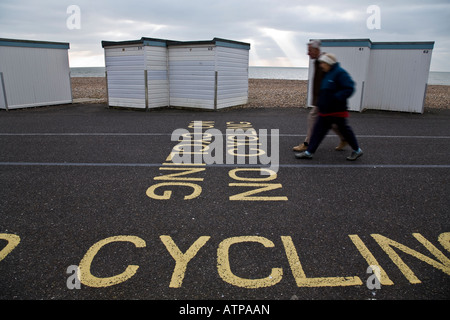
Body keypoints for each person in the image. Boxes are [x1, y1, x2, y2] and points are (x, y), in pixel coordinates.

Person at [295, 53, 363, 161]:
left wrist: (336, 98)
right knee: (318, 131)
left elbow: (349, 88)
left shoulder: (340, 73)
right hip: (325, 111)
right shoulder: (328, 73)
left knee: (345, 131)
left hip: (337, 111)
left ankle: (357, 150)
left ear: (328, 63)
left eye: (323, 63)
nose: (321, 65)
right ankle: (309, 152)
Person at [292, 40, 347, 152]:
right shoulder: (318, 61)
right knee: (331, 122)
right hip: (323, 99)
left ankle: (308, 143)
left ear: (316, 50)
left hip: (326, 99)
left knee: (313, 117)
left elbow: (332, 80)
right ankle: (345, 138)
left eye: (310, 51)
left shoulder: (324, 61)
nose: (308, 53)